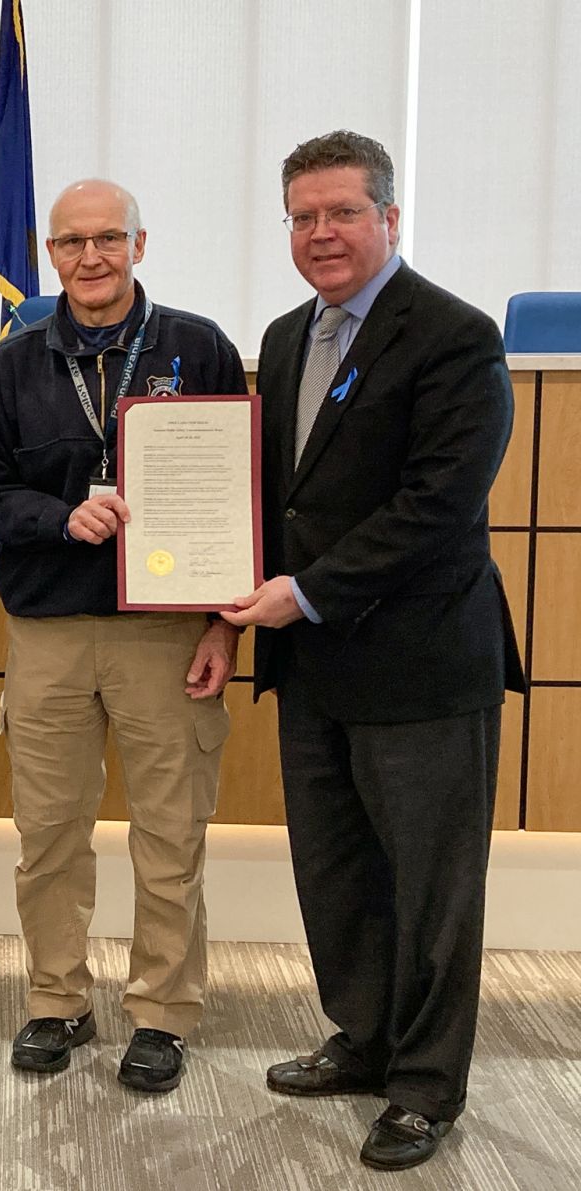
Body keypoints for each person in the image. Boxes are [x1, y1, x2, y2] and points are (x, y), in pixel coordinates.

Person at [224, 130, 523, 1172]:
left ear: (389, 219)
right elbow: (275, 497)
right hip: (312, 667)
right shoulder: (280, 335)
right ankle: (363, 1037)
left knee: (433, 889)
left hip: (422, 662)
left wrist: (303, 591)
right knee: (337, 872)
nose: (320, 234)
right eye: (301, 217)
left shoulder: (452, 335)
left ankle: (427, 1086)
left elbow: (436, 507)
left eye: (341, 212)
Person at [0, 179, 247, 1093]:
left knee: (170, 831)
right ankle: (57, 998)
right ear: (49, 254)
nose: (91, 257)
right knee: (48, 830)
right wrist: (58, 517)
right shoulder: (9, 366)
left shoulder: (197, 348)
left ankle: (162, 1012)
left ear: (141, 242)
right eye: (72, 242)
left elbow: (235, 497)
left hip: (164, 634)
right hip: (47, 627)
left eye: (108, 239)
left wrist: (222, 626)